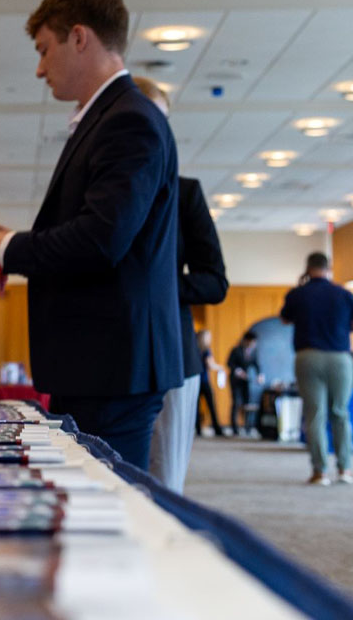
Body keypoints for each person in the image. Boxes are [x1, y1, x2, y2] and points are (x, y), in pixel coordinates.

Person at [0, 0, 182, 470]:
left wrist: (8, 249)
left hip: (112, 366)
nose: (40, 68)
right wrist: (9, 243)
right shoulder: (108, 117)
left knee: (107, 505)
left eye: (44, 50)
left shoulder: (129, 120)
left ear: (79, 37)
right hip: (98, 363)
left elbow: (103, 237)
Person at [134, 77, 229, 492]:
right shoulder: (97, 190)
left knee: (164, 481)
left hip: (173, 354)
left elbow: (214, 283)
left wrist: (157, 287)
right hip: (108, 359)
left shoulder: (186, 194)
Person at [281, 253, 353, 486]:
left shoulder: (297, 294)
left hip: (308, 356)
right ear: (329, 268)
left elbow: (284, 319)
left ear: (307, 268)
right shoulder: (344, 294)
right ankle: (345, 469)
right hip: (340, 357)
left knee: (315, 415)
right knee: (340, 412)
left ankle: (319, 472)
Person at [227, 331, 264, 436]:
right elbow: (230, 363)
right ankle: (234, 428)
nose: (253, 344)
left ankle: (247, 427)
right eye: (252, 342)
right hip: (236, 380)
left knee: (247, 403)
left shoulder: (253, 352)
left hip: (246, 381)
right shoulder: (236, 350)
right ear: (246, 340)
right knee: (236, 402)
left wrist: (259, 375)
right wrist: (238, 371)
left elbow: (256, 364)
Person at [195, 330, 226, 437]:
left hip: (195, 382)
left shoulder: (194, 349)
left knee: (196, 407)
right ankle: (217, 429)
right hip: (204, 381)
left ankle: (198, 430)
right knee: (211, 406)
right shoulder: (206, 350)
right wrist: (221, 367)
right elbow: (210, 365)